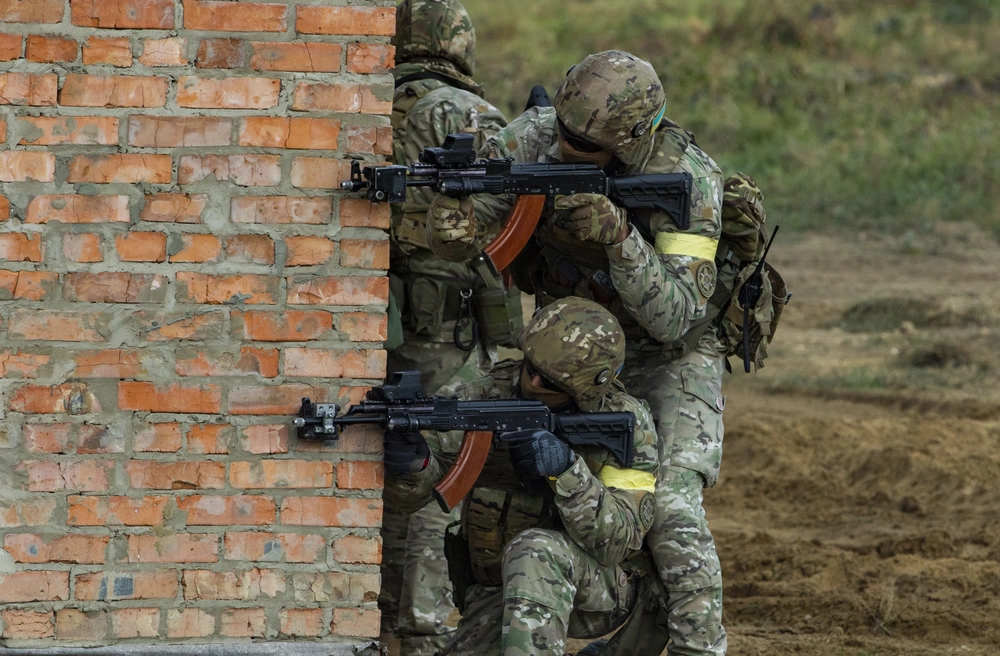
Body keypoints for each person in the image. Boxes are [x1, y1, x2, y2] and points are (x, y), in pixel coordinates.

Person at [427, 50, 730, 654]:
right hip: (565, 348)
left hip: (668, 357)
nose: (566, 148)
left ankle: (699, 645)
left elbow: (676, 316)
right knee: (532, 487)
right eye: (564, 132)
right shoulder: (534, 138)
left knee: (670, 506)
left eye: (586, 146)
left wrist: (619, 238)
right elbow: (474, 227)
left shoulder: (689, 180)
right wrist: (455, 223)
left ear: (633, 141)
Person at [383, 298, 660, 656]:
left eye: (550, 381)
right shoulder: (483, 396)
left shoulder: (627, 422)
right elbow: (411, 498)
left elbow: (620, 541)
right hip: (499, 588)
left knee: (535, 550)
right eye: (530, 366)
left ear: (585, 389)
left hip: (598, 588)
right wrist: (414, 467)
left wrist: (566, 471)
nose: (533, 381)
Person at [380, 1, 509, 654]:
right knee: (435, 496)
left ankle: (377, 624)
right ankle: (422, 636)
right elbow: (514, 206)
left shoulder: (366, 102)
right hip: (444, 338)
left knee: (389, 483)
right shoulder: (459, 110)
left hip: (375, 327)